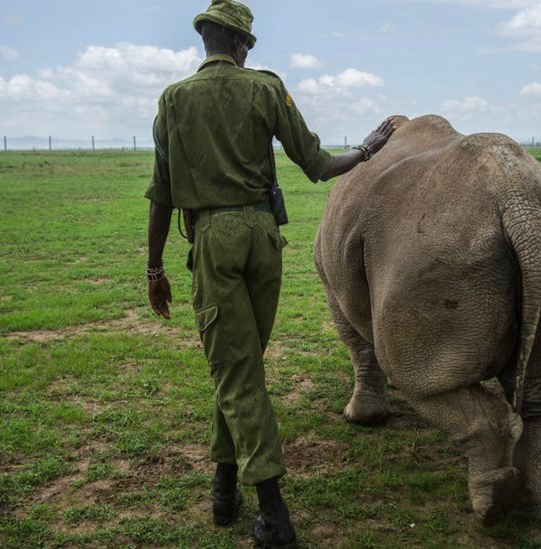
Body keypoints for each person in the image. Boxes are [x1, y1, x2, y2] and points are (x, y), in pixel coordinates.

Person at [144, 1, 395, 547]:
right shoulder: (265, 88)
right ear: (240, 45)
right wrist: (368, 149)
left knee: (236, 371)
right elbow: (317, 165)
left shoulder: (173, 100)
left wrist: (154, 266)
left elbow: (161, 193)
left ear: (205, 40)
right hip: (263, 238)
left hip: (211, 241)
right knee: (241, 366)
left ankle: (273, 513)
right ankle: (226, 484)